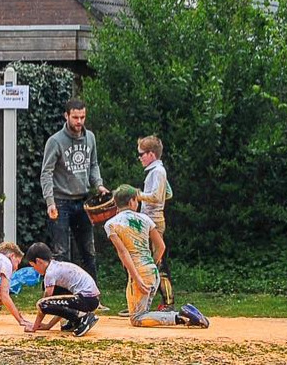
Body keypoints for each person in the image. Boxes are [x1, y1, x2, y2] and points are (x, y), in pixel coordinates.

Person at [104, 185, 208, 329]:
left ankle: (181, 317)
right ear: (131, 201)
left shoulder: (111, 224)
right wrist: (152, 264)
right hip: (152, 270)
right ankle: (185, 314)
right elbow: (161, 247)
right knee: (142, 313)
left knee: (137, 318)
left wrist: (137, 278)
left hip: (138, 273)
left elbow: (123, 253)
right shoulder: (145, 219)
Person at [40, 99, 108, 285]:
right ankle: (60, 293)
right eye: (75, 117)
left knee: (88, 251)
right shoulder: (55, 141)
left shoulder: (90, 137)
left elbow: (93, 165)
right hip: (61, 201)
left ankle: (91, 292)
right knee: (61, 252)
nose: (79, 121)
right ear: (66, 116)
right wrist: (50, 202)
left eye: (82, 117)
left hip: (83, 200)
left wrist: (99, 185)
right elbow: (46, 173)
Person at [23, 242, 100, 337]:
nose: (35, 270)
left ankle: (83, 317)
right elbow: (60, 306)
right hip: (91, 299)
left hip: (86, 299)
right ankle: (78, 319)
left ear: (38, 261)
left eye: (33, 266)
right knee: (62, 321)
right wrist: (48, 325)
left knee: (41, 304)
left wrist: (34, 327)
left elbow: (45, 303)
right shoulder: (56, 266)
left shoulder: (50, 273)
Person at [135, 135, 175, 311]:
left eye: (141, 154)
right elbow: (168, 193)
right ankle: (144, 302)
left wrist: (137, 195)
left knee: (158, 262)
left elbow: (157, 196)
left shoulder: (158, 171)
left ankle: (168, 303)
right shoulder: (156, 171)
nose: (140, 158)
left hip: (155, 221)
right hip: (150, 219)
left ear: (151, 154)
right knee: (150, 261)